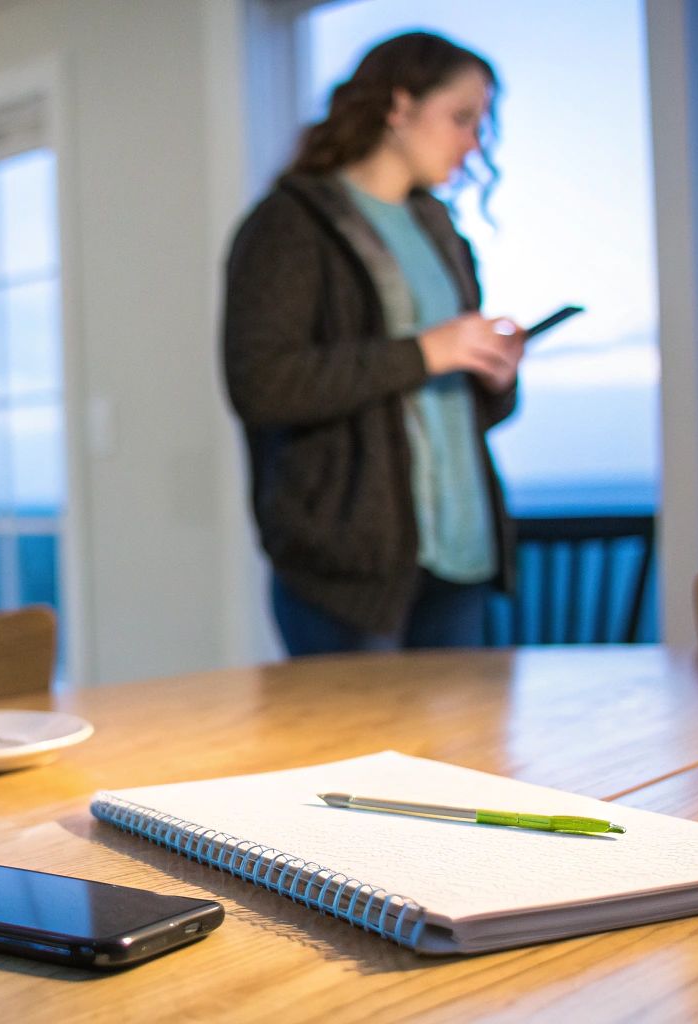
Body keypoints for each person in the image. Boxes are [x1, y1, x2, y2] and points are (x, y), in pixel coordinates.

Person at [222, 31, 523, 657]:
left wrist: (494, 374)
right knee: (359, 754)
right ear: (399, 106)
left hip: (462, 553)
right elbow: (261, 384)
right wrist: (426, 352)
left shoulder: (440, 230)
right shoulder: (290, 224)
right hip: (350, 567)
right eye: (461, 117)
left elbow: (464, 413)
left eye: (480, 124)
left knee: (466, 754)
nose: (473, 142)